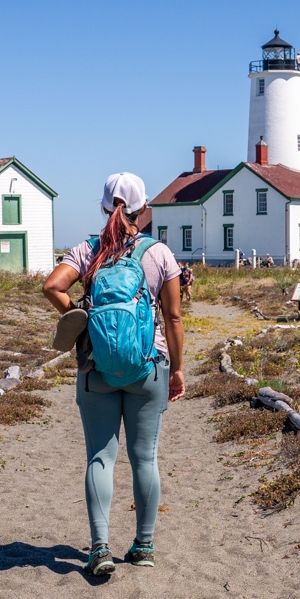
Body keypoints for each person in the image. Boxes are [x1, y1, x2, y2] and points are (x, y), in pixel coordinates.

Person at [42, 173, 184, 577]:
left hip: (95, 366)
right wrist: (177, 370)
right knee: (145, 458)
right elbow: (173, 316)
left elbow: (52, 286)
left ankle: (100, 548)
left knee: (100, 459)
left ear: (105, 206)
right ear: (142, 210)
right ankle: (143, 546)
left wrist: (82, 318)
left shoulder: (87, 251)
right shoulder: (159, 253)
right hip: (148, 365)